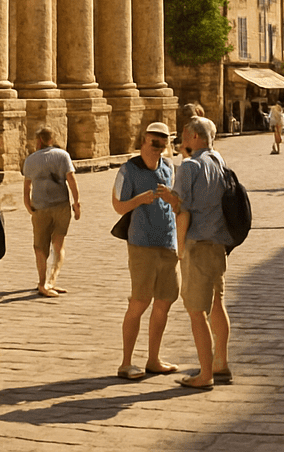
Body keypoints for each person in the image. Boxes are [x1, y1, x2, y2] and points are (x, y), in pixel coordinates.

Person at [164, 116, 232, 391]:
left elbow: (183, 211)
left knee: (196, 311)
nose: (180, 139)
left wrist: (180, 249)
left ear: (194, 138)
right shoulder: (219, 161)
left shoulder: (189, 166)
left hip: (198, 244)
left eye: (183, 134)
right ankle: (221, 363)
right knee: (217, 303)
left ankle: (205, 375)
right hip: (218, 243)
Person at [112, 122, 181, 379]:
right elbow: (118, 207)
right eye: (155, 143)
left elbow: (177, 203)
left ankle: (154, 359)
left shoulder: (168, 168)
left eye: (164, 144)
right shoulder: (129, 170)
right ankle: (126, 362)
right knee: (140, 301)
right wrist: (140, 199)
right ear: (143, 140)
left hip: (167, 243)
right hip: (141, 244)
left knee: (164, 301)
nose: (159, 149)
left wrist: (171, 198)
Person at [21, 126, 81, 298]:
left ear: (39, 140)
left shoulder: (31, 160)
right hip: (61, 206)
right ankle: (52, 280)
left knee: (40, 248)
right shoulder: (63, 156)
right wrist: (77, 203)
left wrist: (27, 205)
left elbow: (27, 186)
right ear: (51, 140)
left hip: (40, 208)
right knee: (59, 244)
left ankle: (42, 283)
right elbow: (71, 179)